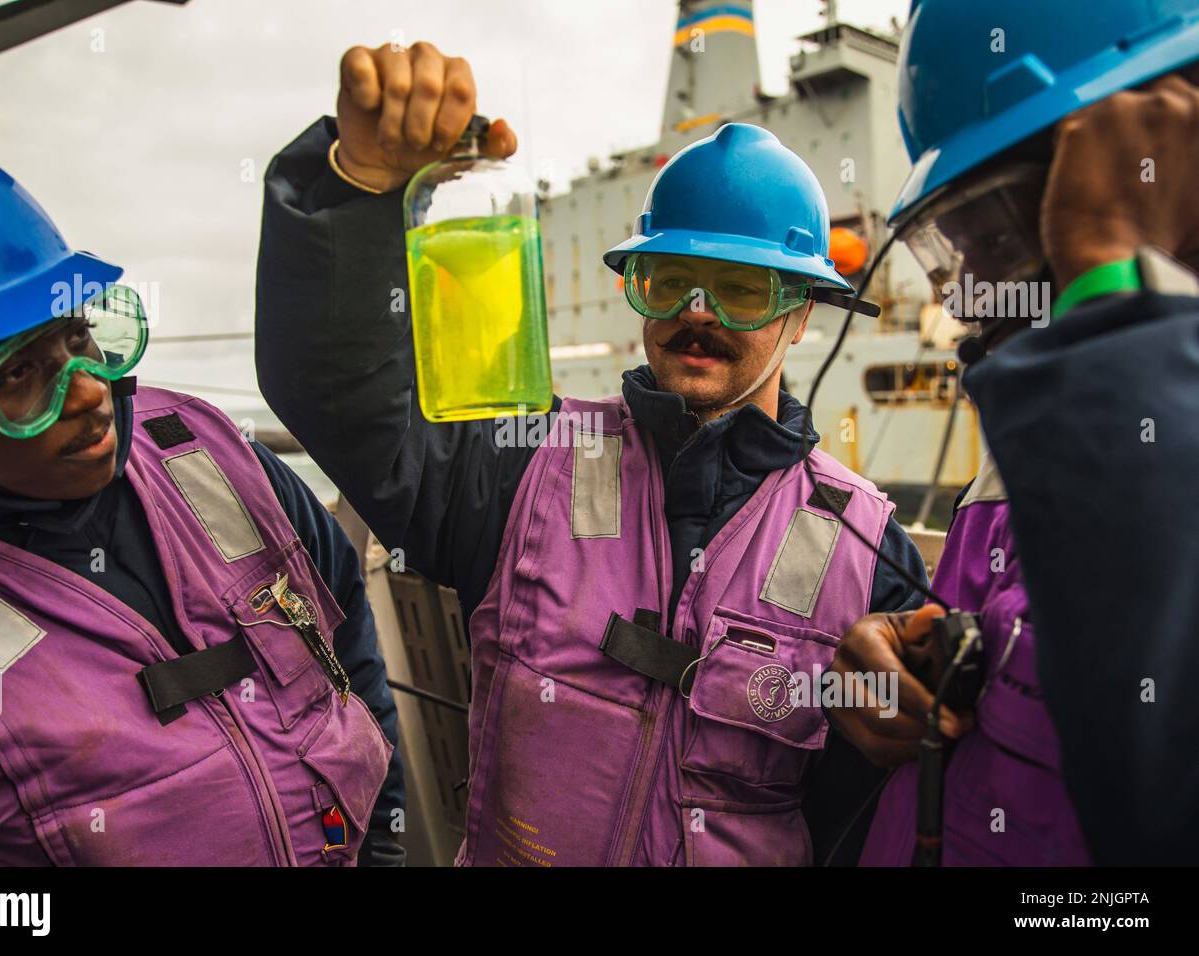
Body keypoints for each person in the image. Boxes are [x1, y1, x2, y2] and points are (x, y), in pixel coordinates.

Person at [255, 40, 927, 866]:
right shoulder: (523, 463)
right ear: (637, 288)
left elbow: (873, 824)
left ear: (801, 315)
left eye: (742, 291)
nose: (697, 311)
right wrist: (356, 188)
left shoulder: (869, 554)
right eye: (668, 280)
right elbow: (341, 396)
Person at [0, 125, 404, 866]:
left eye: (80, 338)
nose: (90, 393)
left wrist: (384, 845)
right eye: (17, 375)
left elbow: (347, 645)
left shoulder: (209, 453)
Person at [827, 0, 1199, 865]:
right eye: (951, 252)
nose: (963, 300)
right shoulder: (1065, 411)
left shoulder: (1107, 377)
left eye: (993, 240)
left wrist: (1111, 291)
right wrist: (903, 661)